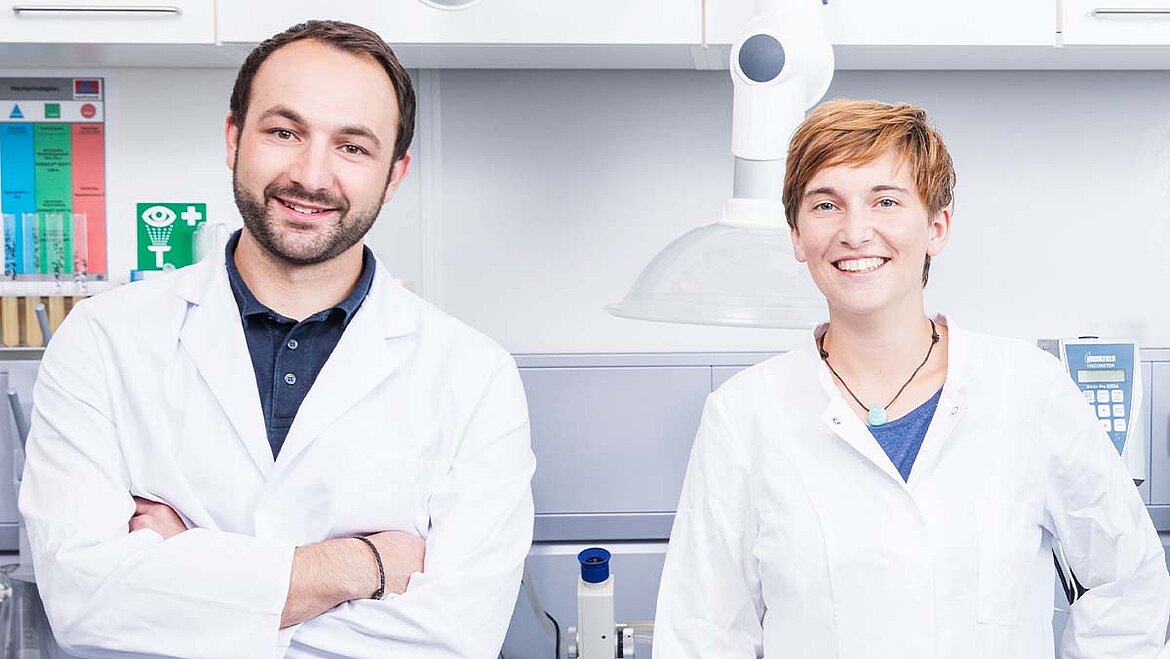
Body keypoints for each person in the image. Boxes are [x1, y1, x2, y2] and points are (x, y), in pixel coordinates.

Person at [19, 20, 535, 658]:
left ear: (395, 174)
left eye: (353, 146)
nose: (311, 175)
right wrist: (357, 567)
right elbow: (82, 601)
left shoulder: (473, 375)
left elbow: (455, 638)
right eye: (285, 132)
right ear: (234, 138)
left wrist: (185, 565)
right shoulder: (102, 340)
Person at [653, 99, 1170, 658]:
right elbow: (700, 634)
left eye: (886, 201)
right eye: (825, 204)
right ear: (798, 237)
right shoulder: (744, 414)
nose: (855, 231)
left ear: (937, 226)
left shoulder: (1030, 390)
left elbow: (1129, 587)